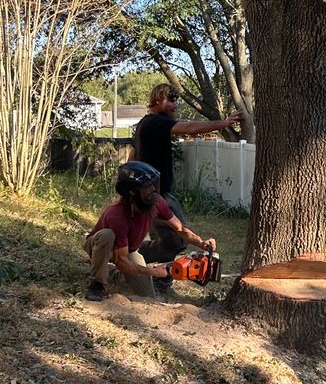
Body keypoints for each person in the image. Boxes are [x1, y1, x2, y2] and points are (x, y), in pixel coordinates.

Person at [133, 84, 242, 281]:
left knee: (172, 242)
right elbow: (190, 128)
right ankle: (145, 265)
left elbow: (133, 155)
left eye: (177, 99)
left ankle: (134, 256)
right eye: (171, 99)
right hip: (158, 196)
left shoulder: (146, 124)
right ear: (157, 99)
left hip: (150, 194)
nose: (176, 104)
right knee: (178, 240)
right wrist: (224, 123)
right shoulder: (156, 122)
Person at [84, 160, 215, 301]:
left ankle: (112, 273)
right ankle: (97, 284)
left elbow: (180, 228)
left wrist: (201, 243)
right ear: (132, 191)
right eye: (147, 186)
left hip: (128, 250)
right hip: (100, 246)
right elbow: (120, 259)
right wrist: (152, 271)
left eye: (153, 184)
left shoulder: (156, 202)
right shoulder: (117, 215)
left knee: (147, 296)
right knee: (107, 236)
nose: (153, 189)